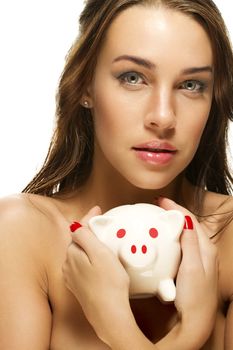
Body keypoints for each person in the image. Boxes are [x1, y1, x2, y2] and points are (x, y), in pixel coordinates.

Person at [0, 0, 232, 349]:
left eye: (191, 85)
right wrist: (188, 334)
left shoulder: (229, 239)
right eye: (133, 78)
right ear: (85, 87)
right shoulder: (21, 236)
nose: (163, 117)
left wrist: (118, 329)